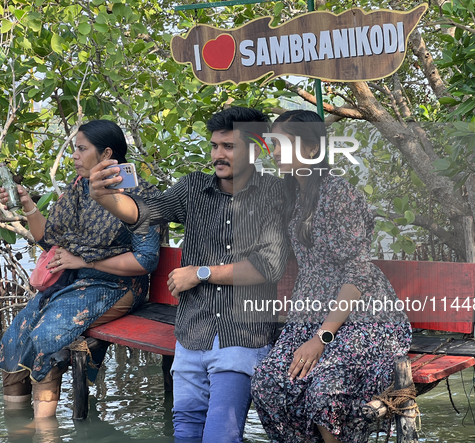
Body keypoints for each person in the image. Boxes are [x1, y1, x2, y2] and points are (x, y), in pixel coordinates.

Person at [87, 107, 289, 443]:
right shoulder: (193, 187)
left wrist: (202, 273)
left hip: (243, 334)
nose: (217, 155)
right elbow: (146, 213)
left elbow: (269, 265)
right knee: (185, 431)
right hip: (193, 332)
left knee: (221, 436)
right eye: (214, 146)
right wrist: (106, 198)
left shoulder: (274, 194)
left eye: (228, 146)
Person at [250, 110, 412, 443]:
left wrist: (321, 338)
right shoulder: (290, 195)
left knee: (324, 389)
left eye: (283, 142)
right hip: (311, 311)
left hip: (362, 315)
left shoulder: (341, 194)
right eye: (273, 143)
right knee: (268, 382)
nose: (275, 151)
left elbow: (358, 272)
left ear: (310, 150)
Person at [0, 120, 162, 418]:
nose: (74, 155)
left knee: (47, 337)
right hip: (73, 282)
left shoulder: (141, 195)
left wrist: (85, 261)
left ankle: (44, 432)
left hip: (117, 285)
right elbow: (48, 240)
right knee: (15, 334)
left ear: (106, 154)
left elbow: (146, 261)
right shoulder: (78, 190)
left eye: (81, 148)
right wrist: (27, 206)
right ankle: (15, 427)